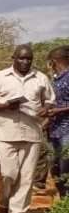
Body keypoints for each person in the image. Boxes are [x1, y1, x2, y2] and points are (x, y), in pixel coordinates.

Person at [0, 45, 55, 213]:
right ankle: (3, 203)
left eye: (28, 59)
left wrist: (46, 108)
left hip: (32, 132)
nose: (25, 62)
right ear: (13, 58)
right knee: (6, 173)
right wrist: (6, 105)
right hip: (5, 132)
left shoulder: (40, 78)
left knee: (26, 177)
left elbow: (50, 100)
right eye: (21, 58)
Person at [47, 45, 69, 198]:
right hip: (55, 130)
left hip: (67, 130)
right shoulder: (56, 79)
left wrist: (57, 111)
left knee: (64, 169)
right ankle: (63, 204)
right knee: (55, 169)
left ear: (54, 61)